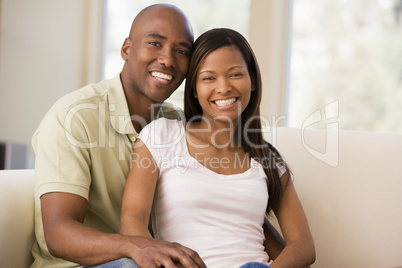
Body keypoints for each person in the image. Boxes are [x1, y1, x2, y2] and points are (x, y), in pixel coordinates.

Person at [31, 4, 285, 268]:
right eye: (155, 43)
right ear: (127, 48)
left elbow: (222, 203)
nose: (167, 59)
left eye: (181, 51)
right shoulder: (74, 117)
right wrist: (136, 246)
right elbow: (58, 233)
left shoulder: (177, 124)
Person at [120, 28, 316, 268]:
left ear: (252, 81)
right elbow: (132, 219)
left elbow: (303, 246)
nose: (223, 88)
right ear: (194, 88)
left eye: (235, 75)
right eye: (209, 78)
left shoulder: (267, 156)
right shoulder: (162, 135)